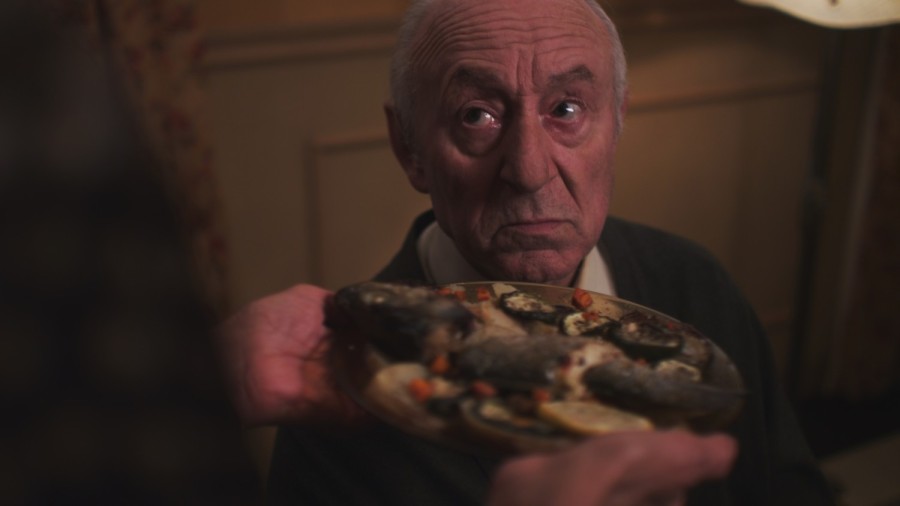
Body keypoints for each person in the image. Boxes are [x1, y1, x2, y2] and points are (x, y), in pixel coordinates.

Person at [220, 0, 835, 504]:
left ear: (617, 121)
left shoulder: (697, 286)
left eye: (566, 109)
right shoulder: (344, 388)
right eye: (478, 116)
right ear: (409, 147)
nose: (529, 169)